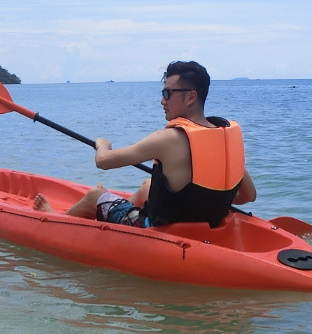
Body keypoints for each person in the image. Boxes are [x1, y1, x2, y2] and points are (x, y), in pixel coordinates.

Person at [33, 60, 256, 228]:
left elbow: (103, 162)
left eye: (168, 93)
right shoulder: (223, 137)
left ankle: (54, 220)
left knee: (94, 195)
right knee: (146, 187)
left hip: (164, 229)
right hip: (207, 224)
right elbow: (248, 196)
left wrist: (102, 145)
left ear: (190, 97)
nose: (162, 100)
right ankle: (112, 219)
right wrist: (210, 200)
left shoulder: (169, 138)